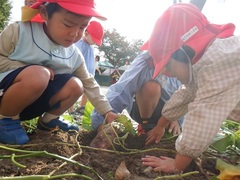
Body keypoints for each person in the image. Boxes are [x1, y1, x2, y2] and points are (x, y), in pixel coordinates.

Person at [0, 0, 117, 145]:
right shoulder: (19, 31)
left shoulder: (74, 54)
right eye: (68, 24)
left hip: (30, 106)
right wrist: (30, 69)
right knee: (39, 75)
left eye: (82, 27)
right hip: (4, 97)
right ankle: (5, 120)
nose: (74, 33)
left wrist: (107, 111)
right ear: (44, 13)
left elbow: (89, 83)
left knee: (76, 85)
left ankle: (48, 122)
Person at [141, 3, 239, 173]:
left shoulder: (221, 61)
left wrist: (177, 164)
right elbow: (185, 95)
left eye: (169, 67)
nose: (170, 75)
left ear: (184, 51)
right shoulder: (204, 61)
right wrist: (161, 125)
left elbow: (203, 116)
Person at [91, 51, 183, 139]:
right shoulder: (145, 61)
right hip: (141, 108)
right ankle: (146, 128)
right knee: (151, 87)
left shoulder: (184, 63)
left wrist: (176, 118)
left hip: (170, 111)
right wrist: (104, 117)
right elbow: (120, 91)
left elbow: (187, 96)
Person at [73, 21, 104, 114]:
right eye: (94, 39)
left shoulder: (91, 47)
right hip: (80, 74)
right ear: (86, 33)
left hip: (90, 74)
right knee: (75, 91)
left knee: (87, 93)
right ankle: (71, 111)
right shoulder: (80, 44)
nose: (94, 42)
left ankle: (82, 107)